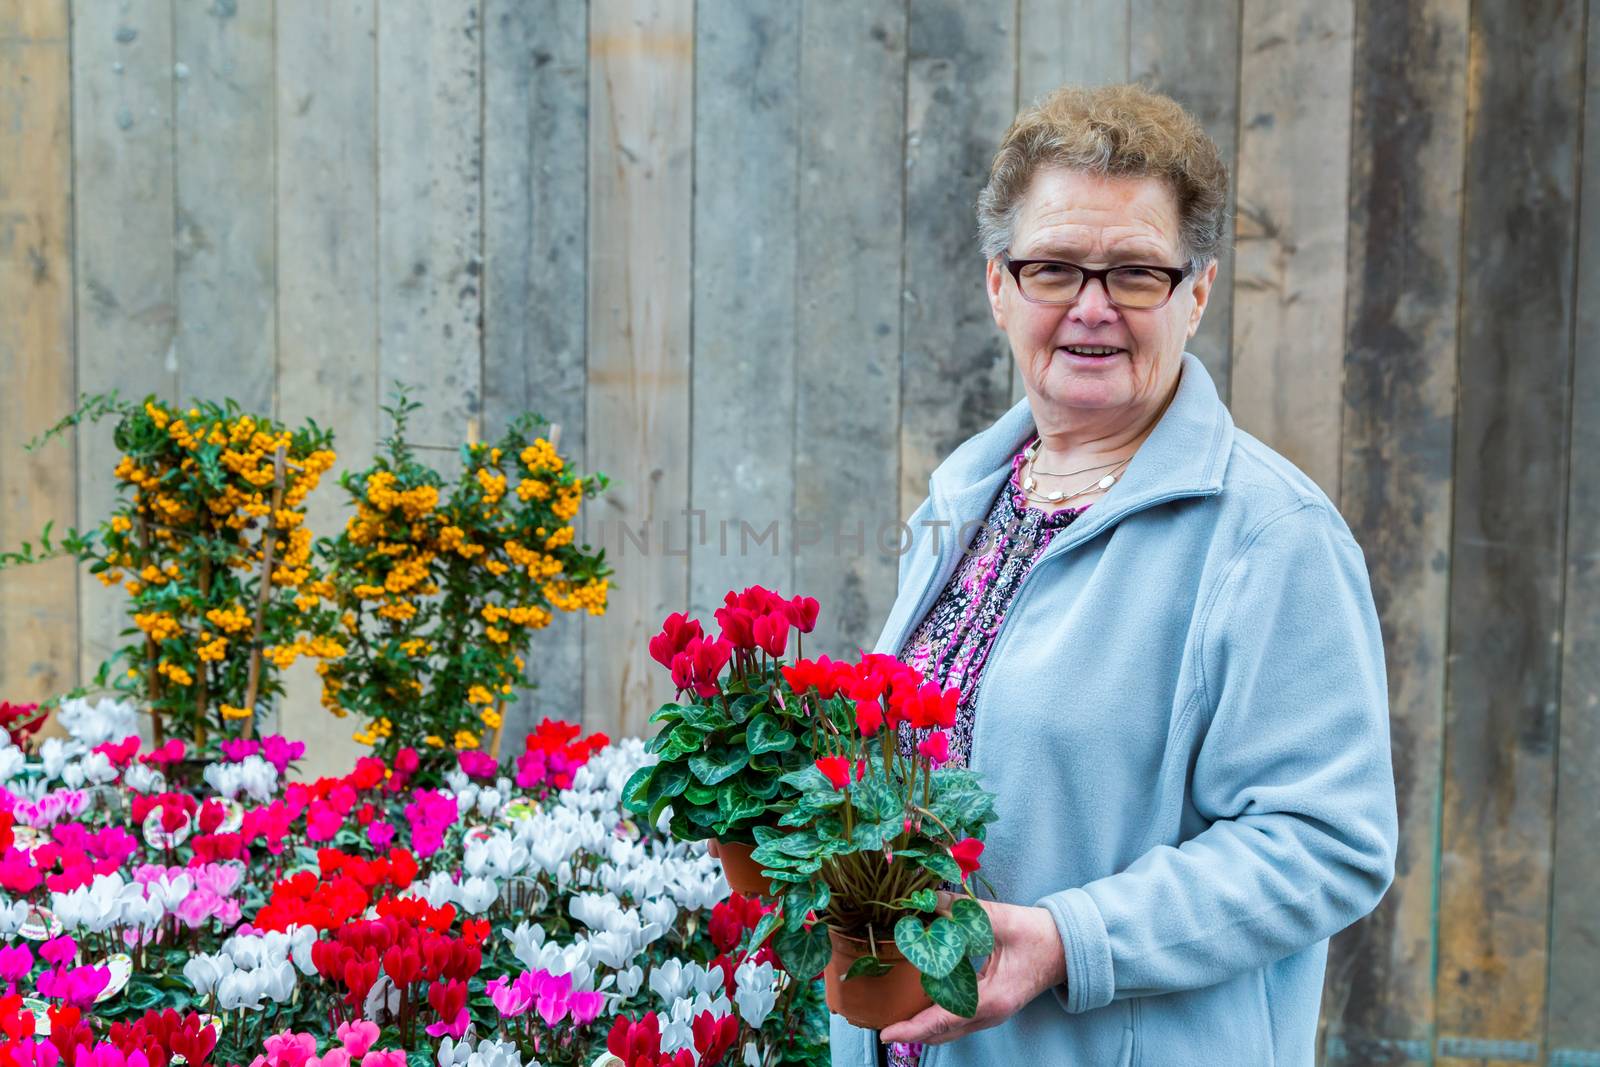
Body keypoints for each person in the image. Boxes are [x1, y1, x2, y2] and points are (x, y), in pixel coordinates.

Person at [830, 84, 1398, 1067]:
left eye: (1135, 272)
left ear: (1197, 292)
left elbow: (1327, 842)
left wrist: (1066, 940)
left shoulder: (1269, 536)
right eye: (1053, 267)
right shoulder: (969, 494)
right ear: (999, 287)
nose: (1091, 307)